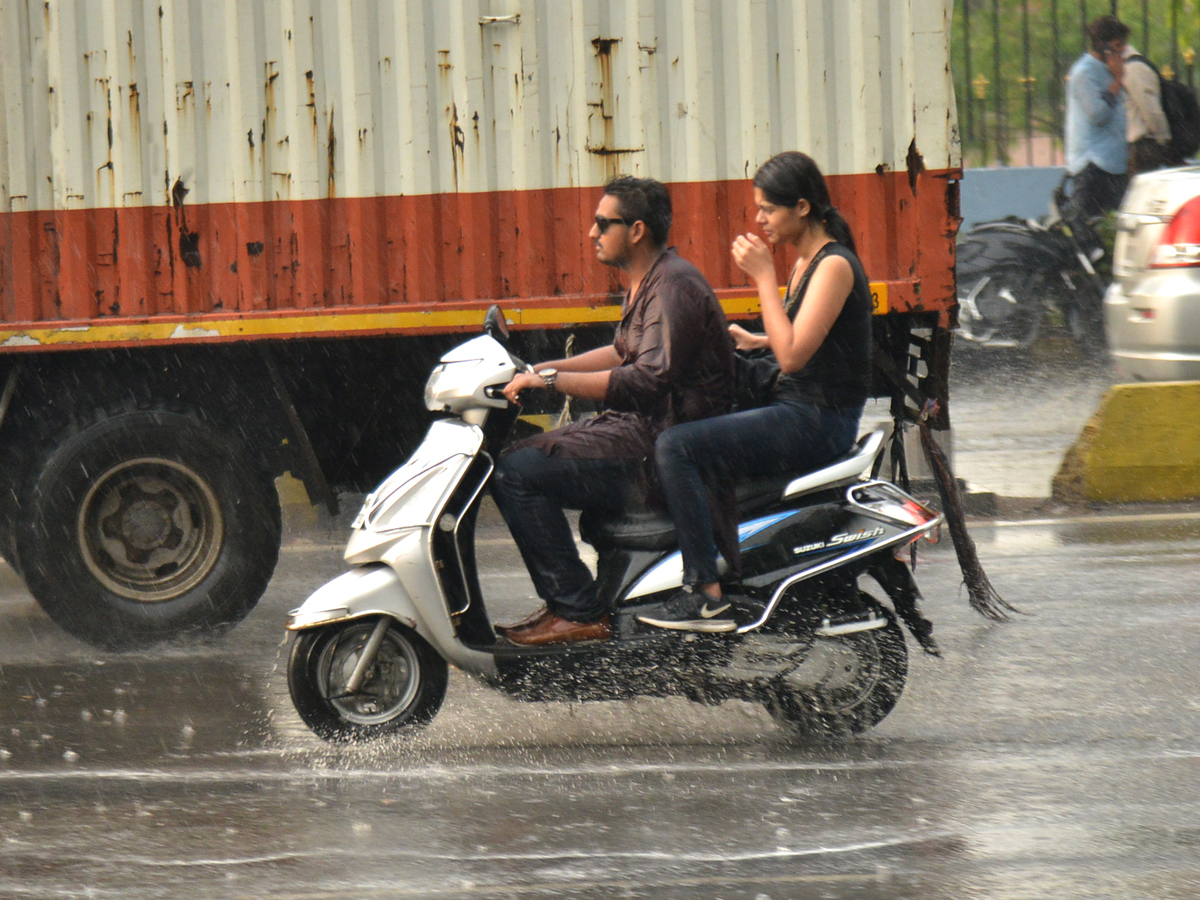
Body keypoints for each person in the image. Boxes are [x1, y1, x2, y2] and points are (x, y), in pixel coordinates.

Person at [491, 176, 735, 646]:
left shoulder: (672, 286)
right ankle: (583, 601)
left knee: (515, 472)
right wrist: (542, 367)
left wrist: (549, 381)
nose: (591, 232)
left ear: (637, 229)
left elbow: (647, 380)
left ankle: (578, 611)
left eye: (603, 223)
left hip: (658, 442)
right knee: (521, 461)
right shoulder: (652, 279)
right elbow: (621, 353)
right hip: (640, 430)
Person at [638, 151, 872, 633]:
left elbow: (792, 359)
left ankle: (704, 593)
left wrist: (763, 277)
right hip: (800, 405)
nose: (760, 219)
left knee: (675, 447)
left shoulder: (832, 266)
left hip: (816, 420)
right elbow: (809, 337)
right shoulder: (809, 261)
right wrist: (757, 339)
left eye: (768, 209)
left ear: (802, 207)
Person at [1063, 16, 1130, 220]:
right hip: (1092, 164)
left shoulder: (1110, 70)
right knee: (1087, 225)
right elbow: (1098, 114)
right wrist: (1118, 80)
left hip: (1115, 163)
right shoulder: (1084, 73)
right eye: (1118, 46)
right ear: (1103, 46)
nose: (1123, 51)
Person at [1123, 45, 1178, 174]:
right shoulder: (1129, 67)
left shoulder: (1134, 68)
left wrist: (1162, 138)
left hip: (1142, 147)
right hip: (1139, 147)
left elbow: (1151, 110)